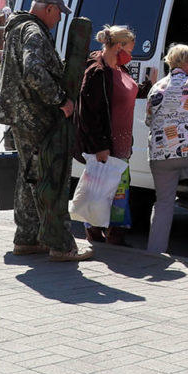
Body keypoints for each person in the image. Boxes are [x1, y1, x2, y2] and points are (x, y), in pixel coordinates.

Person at [0, 0, 92, 262]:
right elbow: (33, 70)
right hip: (35, 116)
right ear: (49, 8)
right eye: (59, 13)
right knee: (48, 177)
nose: (59, 19)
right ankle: (61, 246)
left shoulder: (17, 28)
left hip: (20, 115)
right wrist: (61, 100)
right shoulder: (34, 32)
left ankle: (27, 238)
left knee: (29, 177)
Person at [75, 25, 139, 246]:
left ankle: (113, 233)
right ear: (119, 46)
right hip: (106, 144)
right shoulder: (97, 72)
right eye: (130, 49)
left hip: (122, 144)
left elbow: (126, 93)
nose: (131, 55)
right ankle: (97, 231)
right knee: (103, 190)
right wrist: (100, 145)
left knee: (118, 192)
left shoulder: (121, 68)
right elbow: (89, 114)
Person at [145, 44, 188, 254]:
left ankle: (154, 251)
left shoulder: (157, 86)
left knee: (163, 203)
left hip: (159, 156)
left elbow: (148, 120)